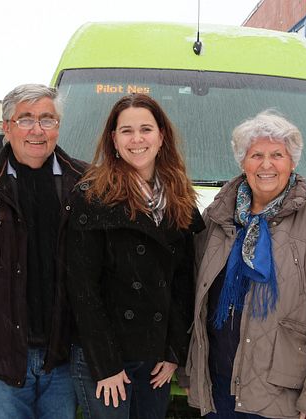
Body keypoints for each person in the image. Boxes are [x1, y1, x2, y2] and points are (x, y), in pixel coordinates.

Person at [185, 110, 306, 419]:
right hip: (218, 387)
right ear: (242, 162)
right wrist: (191, 372)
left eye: (277, 154)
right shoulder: (218, 216)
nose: (266, 164)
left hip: (280, 393)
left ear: (292, 162)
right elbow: (197, 299)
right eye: (256, 154)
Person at [0, 84, 86, 418]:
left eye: (47, 119)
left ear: (58, 126)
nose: (37, 130)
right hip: (3, 357)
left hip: (64, 355)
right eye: (25, 119)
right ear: (6, 126)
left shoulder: (85, 184)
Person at [65, 93, 204, 418]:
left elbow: (184, 281)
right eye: (126, 130)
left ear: (161, 136)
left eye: (146, 129)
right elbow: (83, 288)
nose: (137, 139)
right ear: (113, 139)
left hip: (154, 356)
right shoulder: (93, 196)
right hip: (105, 356)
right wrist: (106, 364)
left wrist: (173, 350)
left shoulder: (179, 197)